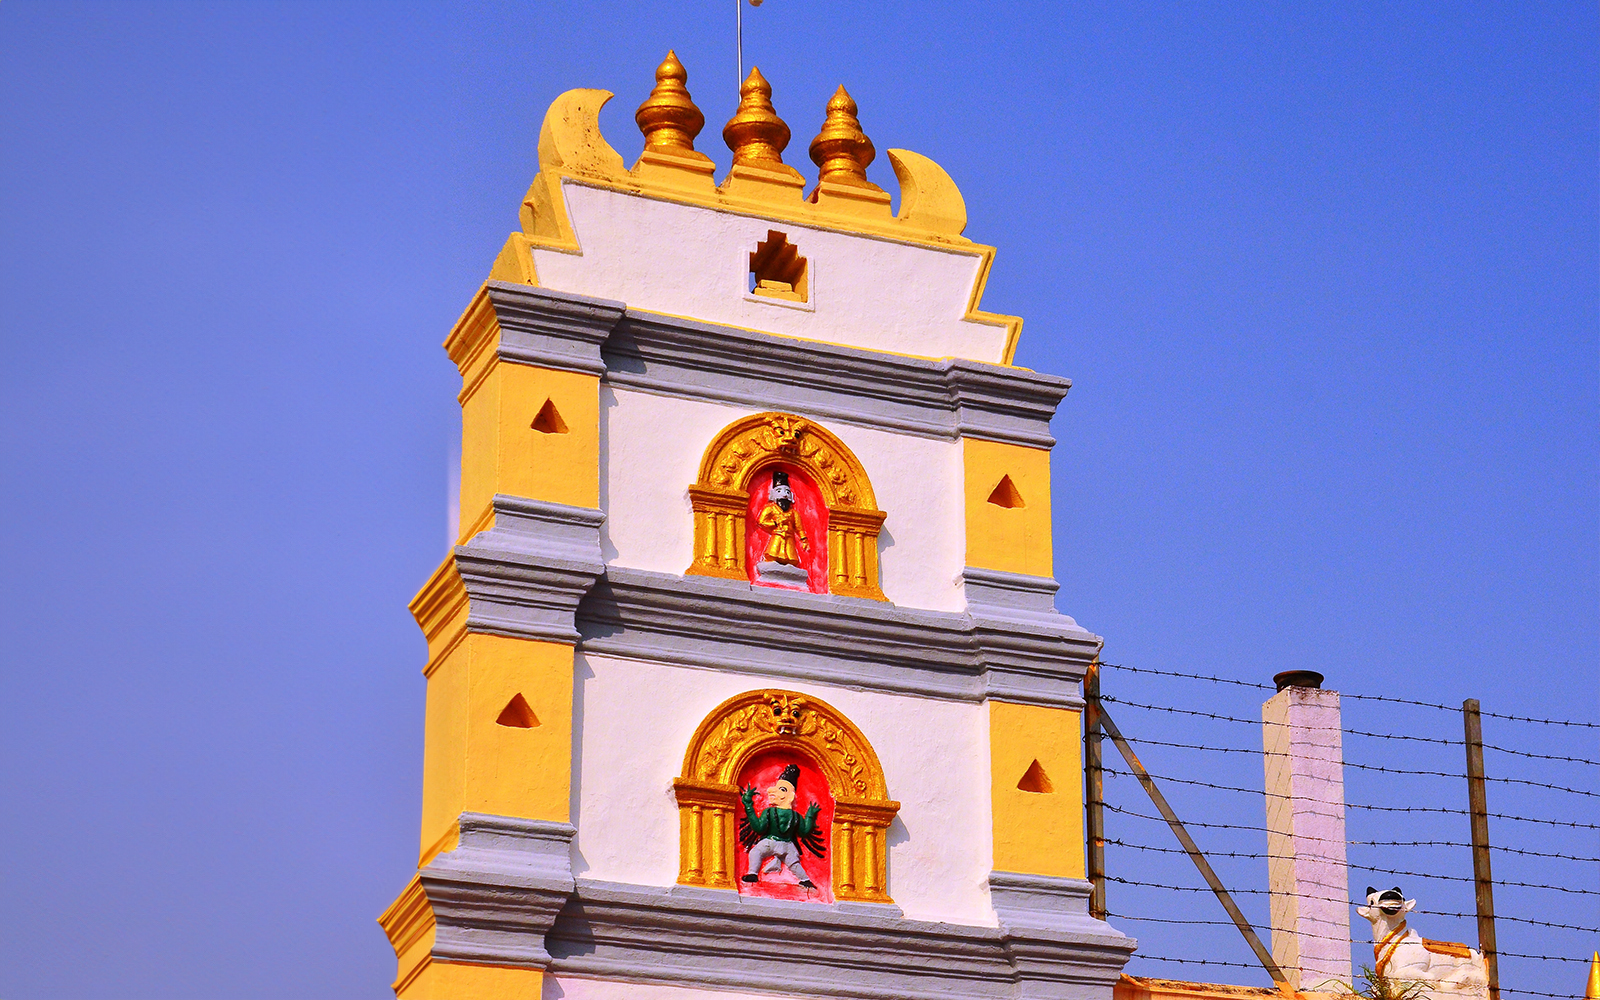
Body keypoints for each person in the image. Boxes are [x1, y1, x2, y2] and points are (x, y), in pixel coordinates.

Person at [739, 763, 825, 890]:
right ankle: (805, 880)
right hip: (787, 845)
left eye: (782, 789)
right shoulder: (794, 816)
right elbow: (804, 831)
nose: (773, 791)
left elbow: (758, 828)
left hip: (772, 842)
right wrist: (810, 816)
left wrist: (748, 806)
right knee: (794, 863)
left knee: (756, 852)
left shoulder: (770, 812)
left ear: (790, 796)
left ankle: (753, 873)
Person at [757, 470, 807, 566]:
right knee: (773, 554)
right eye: (779, 491)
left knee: (791, 558)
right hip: (777, 536)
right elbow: (761, 521)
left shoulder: (793, 513)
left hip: (789, 538)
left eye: (787, 492)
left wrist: (804, 539)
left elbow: (799, 527)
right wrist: (775, 522)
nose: (784, 495)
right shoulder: (770, 509)